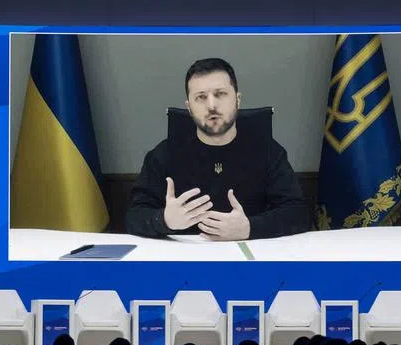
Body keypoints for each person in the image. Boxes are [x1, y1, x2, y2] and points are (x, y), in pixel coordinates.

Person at [125, 58, 310, 241]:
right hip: (186, 255)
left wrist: (250, 228)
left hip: (249, 253)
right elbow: (133, 217)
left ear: (237, 99)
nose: (211, 105)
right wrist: (164, 220)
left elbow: (299, 213)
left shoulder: (268, 150)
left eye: (220, 94)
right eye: (201, 97)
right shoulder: (164, 155)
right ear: (189, 108)